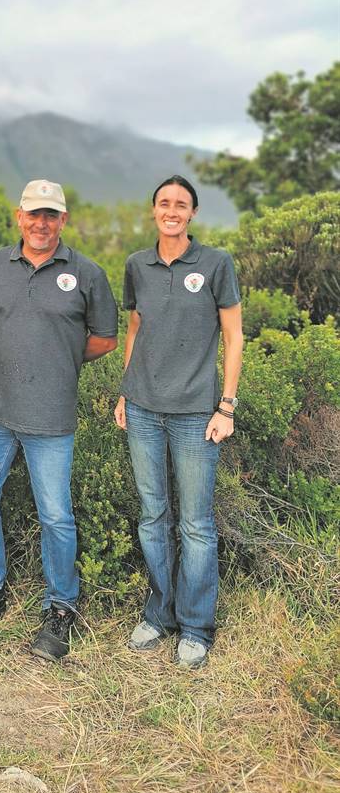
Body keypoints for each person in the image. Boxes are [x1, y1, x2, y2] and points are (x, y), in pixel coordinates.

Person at [0, 179, 118, 661]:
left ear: (63, 220)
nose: (41, 223)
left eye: (51, 215)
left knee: (56, 516)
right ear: (18, 217)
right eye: (34, 214)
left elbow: (105, 338)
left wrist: (58, 359)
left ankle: (62, 608)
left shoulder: (87, 273)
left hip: (51, 417)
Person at [114, 175, 242, 669]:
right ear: (154, 211)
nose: (172, 210)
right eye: (164, 203)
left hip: (195, 414)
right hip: (143, 409)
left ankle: (195, 627)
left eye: (181, 204)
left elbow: (234, 336)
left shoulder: (215, 264)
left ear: (192, 213)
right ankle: (158, 615)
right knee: (152, 517)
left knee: (195, 524)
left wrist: (225, 406)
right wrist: (125, 393)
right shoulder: (136, 266)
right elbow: (135, 329)